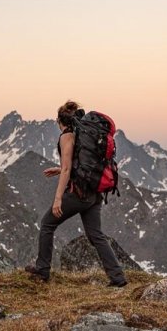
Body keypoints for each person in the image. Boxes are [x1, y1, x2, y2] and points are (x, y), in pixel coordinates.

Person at [25, 100, 128, 287]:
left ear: (59, 121)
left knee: (47, 223)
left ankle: (42, 270)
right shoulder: (83, 134)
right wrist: (60, 169)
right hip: (94, 193)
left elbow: (67, 169)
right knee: (96, 234)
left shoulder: (67, 136)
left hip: (78, 194)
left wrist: (58, 199)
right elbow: (75, 164)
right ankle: (118, 278)